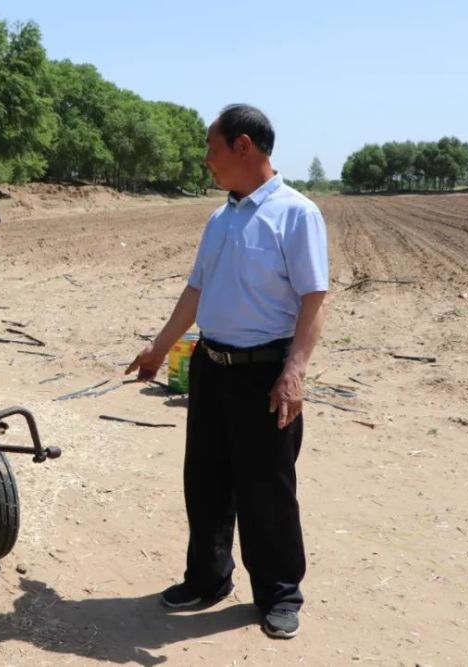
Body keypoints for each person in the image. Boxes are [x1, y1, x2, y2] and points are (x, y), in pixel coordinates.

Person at [126, 104, 328, 639]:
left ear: (243, 147)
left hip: (265, 374)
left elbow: (314, 299)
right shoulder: (221, 218)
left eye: (211, 148)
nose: (205, 160)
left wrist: (295, 372)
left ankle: (280, 592)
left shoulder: (296, 213)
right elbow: (196, 291)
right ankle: (208, 578)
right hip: (210, 367)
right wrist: (157, 347)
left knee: (267, 490)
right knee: (206, 482)